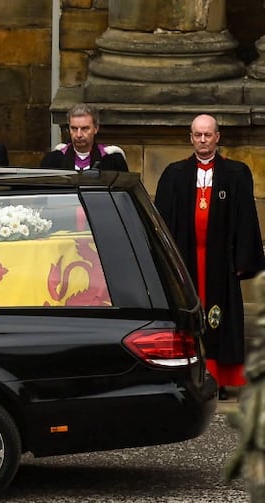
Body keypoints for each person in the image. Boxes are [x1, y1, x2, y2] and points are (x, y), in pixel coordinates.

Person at [155, 114, 265, 400]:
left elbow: (246, 219)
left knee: (221, 318)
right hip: (186, 260)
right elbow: (162, 222)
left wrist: (242, 260)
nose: (202, 140)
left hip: (220, 263)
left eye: (207, 134)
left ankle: (222, 379)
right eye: (197, 135)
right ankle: (188, 376)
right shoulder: (174, 174)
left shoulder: (236, 173)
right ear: (190, 137)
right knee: (188, 318)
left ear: (218, 137)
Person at [40, 104, 128, 172]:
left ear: (96, 129)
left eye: (85, 128)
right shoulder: (52, 160)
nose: (78, 135)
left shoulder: (113, 160)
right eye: (74, 128)